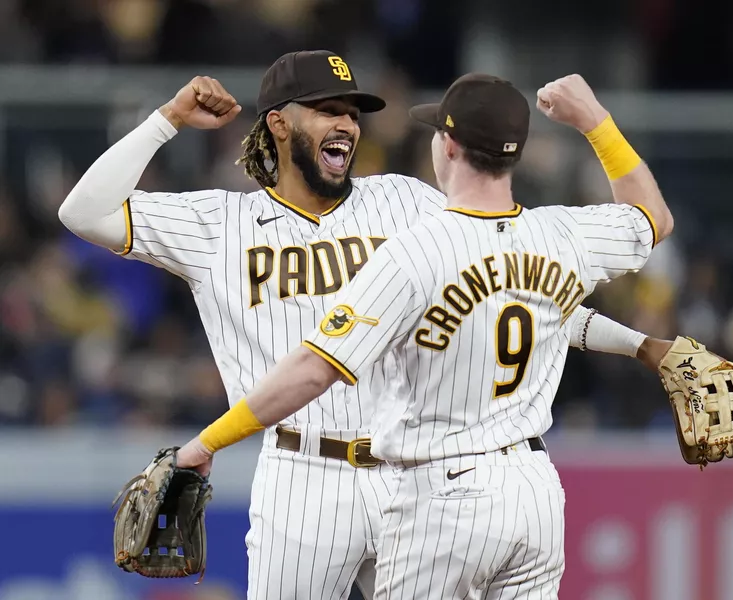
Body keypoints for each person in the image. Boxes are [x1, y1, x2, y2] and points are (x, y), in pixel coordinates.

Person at [171, 72, 673, 599]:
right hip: (534, 489)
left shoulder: (414, 253)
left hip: (443, 492)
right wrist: (595, 121)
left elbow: (314, 371)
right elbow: (651, 218)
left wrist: (207, 441)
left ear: (448, 146)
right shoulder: (562, 235)